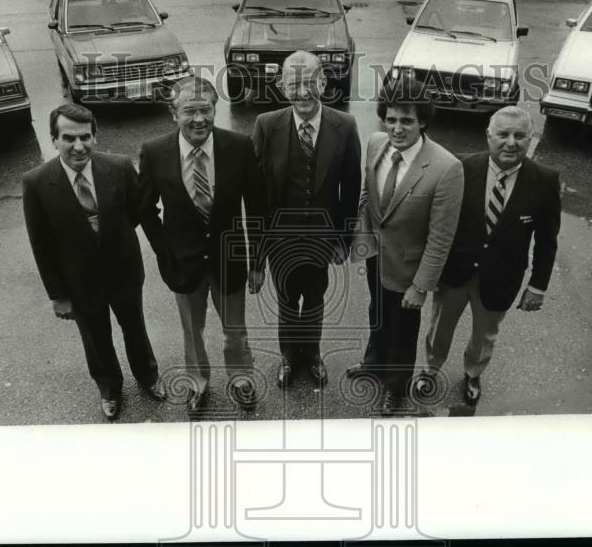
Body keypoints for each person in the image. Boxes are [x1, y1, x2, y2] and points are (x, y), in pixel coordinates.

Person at [23, 103, 165, 421]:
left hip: (125, 273)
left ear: (95, 137)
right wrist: (58, 295)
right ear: (54, 140)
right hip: (79, 282)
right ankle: (109, 388)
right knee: (96, 338)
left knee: (135, 329)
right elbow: (41, 243)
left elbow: (137, 214)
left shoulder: (119, 167)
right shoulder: (36, 182)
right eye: (68, 138)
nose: (78, 146)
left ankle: (148, 376)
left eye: (85, 137)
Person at [138, 76, 266, 414]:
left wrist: (257, 261)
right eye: (189, 111)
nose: (199, 119)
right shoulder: (154, 152)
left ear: (215, 109)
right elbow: (144, 209)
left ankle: (241, 378)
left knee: (235, 329)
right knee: (191, 332)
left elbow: (256, 207)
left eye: (205, 110)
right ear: (173, 113)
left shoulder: (239, 146)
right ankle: (198, 384)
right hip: (183, 262)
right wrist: (164, 253)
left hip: (231, 260)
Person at [419, 106, 561, 406]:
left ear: (531, 138)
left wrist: (538, 286)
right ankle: (431, 368)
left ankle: (473, 373)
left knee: (485, 334)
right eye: (503, 134)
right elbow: (437, 220)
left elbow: (547, 240)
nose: (511, 143)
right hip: (456, 271)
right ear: (488, 136)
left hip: (502, 277)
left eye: (520, 136)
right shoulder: (460, 167)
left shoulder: (545, 180)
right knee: (440, 324)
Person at [251, 50, 361, 388]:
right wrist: (255, 258)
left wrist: (343, 240)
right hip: (279, 240)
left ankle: (311, 355)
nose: (302, 92)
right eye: (293, 83)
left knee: (314, 298)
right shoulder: (266, 126)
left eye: (310, 82)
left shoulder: (344, 126)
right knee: (286, 298)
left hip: (321, 240)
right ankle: (288, 356)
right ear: (283, 86)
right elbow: (256, 199)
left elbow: (350, 187)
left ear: (323, 82)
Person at [347, 99, 464, 413]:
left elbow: (441, 237)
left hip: (410, 269)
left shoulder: (446, 167)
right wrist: (361, 235)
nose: (396, 128)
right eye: (391, 119)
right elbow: (367, 190)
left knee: (402, 330)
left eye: (407, 121)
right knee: (378, 313)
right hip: (376, 255)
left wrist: (421, 286)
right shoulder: (375, 143)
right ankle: (373, 363)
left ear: (423, 122)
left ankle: (395, 387)